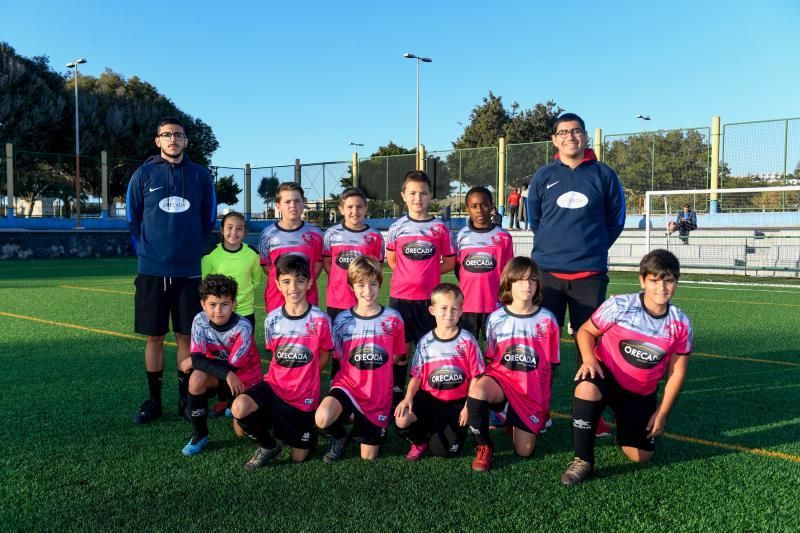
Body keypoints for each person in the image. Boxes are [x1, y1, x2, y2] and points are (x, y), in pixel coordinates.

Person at [526, 112, 626, 437]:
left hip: (589, 276)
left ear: (585, 137)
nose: (570, 136)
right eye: (563, 132)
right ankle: (538, 413)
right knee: (543, 348)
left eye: (576, 131)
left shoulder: (604, 175)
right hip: (547, 276)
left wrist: (591, 249)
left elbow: (616, 220)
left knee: (592, 349)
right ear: (554, 140)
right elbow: (535, 220)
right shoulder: (543, 176)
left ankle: (592, 418)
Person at [560, 249, 693, 486]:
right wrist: (589, 360)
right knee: (586, 388)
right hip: (606, 376)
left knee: (641, 456)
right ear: (642, 280)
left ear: (677, 282)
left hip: (639, 393)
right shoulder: (620, 305)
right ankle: (583, 460)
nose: (661, 288)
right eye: (654, 280)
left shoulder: (681, 324)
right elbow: (586, 331)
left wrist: (662, 413)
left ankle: (624, 425)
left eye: (669, 280)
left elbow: (677, 372)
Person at [126, 117, 217, 424]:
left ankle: (184, 400)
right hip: (152, 270)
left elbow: (208, 218)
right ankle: (153, 401)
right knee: (153, 337)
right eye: (166, 134)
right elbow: (132, 219)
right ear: (158, 141)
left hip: (188, 272)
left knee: (185, 337)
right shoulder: (143, 174)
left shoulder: (200, 176)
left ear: (186, 141)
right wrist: (149, 254)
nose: (173, 139)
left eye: (178, 134)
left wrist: (192, 250)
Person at [231, 254, 333, 468]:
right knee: (239, 408)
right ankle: (269, 444)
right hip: (274, 387)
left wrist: (304, 375)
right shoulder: (273, 320)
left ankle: (300, 426)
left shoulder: (320, 320)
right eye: (286, 281)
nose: (293, 287)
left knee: (299, 458)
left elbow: (323, 356)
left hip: (303, 397)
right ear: (277, 284)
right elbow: (275, 354)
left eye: (300, 280)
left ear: (310, 282)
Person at [466, 257, 560, 471]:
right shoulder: (496, 318)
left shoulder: (548, 320)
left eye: (532, 280)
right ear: (509, 283)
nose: (527, 285)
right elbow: (491, 359)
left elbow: (550, 367)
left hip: (530, 390)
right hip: (502, 381)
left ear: (538, 285)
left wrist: (544, 405)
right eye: (520, 280)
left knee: (524, 452)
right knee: (478, 391)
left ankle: (511, 417)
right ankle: (484, 446)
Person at [315, 256, 406, 463]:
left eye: (373, 283)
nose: (368, 290)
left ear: (380, 284)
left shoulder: (393, 319)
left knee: (368, 457)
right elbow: (338, 359)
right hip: (348, 387)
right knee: (322, 418)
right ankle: (339, 435)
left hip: (377, 395)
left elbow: (398, 357)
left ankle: (362, 420)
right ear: (352, 287)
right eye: (361, 284)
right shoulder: (341, 321)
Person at [386, 170, 456, 408]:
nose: (418, 198)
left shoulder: (439, 228)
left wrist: (429, 275)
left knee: (428, 348)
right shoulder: (396, 228)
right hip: (401, 299)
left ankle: (425, 393)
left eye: (423, 193)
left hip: (429, 301)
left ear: (431, 196)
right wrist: (410, 277)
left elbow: (449, 261)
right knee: (401, 352)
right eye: (413, 193)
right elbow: (393, 260)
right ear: (403, 196)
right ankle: (396, 392)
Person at [394, 284, 484, 461]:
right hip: (429, 399)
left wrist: (468, 407)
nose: (449, 313)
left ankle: (439, 433)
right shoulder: (425, 342)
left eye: (454, 309)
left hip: (456, 404)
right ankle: (419, 441)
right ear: (432, 310)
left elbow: (476, 377)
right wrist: (408, 397)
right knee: (402, 418)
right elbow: (417, 376)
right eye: (443, 308)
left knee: (443, 451)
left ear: (461, 312)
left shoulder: (467, 341)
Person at [179, 275, 262, 457]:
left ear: (234, 304)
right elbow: (200, 361)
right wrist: (198, 361)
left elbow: (231, 366)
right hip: (224, 375)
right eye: (212, 304)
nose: (218, 311)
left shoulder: (243, 327)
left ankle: (235, 405)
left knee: (242, 433)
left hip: (244, 377)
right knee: (196, 378)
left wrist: (195, 360)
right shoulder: (199, 321)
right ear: (203, 304)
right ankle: (200, 435)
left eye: (224, 304)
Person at [455, 186, 514, 342]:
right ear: (467, 209)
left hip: (495, 305)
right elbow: (458, 268)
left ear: (492, 207)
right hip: (467, 305)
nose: (479, 210)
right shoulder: (461, 236)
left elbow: (509, 272)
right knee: (468, 349)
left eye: (484, 205)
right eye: (474, 206)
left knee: (495, 352)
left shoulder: (504, 237)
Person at [257, 182, 323, 314]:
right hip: (277, 298)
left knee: (308, 334)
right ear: (278, 206)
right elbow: (267, 266)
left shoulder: (315, 233)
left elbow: (318, 264)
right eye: (287, 202)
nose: (293, 206)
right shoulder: (267, 234)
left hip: (307, 296)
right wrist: (286, 282)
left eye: (297, 201)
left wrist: (301, 282)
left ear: (303, 203)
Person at [322, 187, 385, 323]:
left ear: (366, 208)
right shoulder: (331, 234)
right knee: (337, 341)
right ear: (341, 209)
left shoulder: (375, 236)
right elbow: (327, 264)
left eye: (359, 207)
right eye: (350, 207)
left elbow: (377, 268)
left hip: (364, 300)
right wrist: (340, 279)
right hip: (337, 300)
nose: (355, 211)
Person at [202, 211, 263, 329]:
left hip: (245, 310)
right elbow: (205, 283)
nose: (234, 232)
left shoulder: (253, 254)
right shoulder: (210, 255)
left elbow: (256, 280)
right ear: (222, 230)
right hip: (219, 311)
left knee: (244, 346)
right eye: (229, 227)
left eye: (239, 228)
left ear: (245, 232)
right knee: (218, 346)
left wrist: (242, 297)